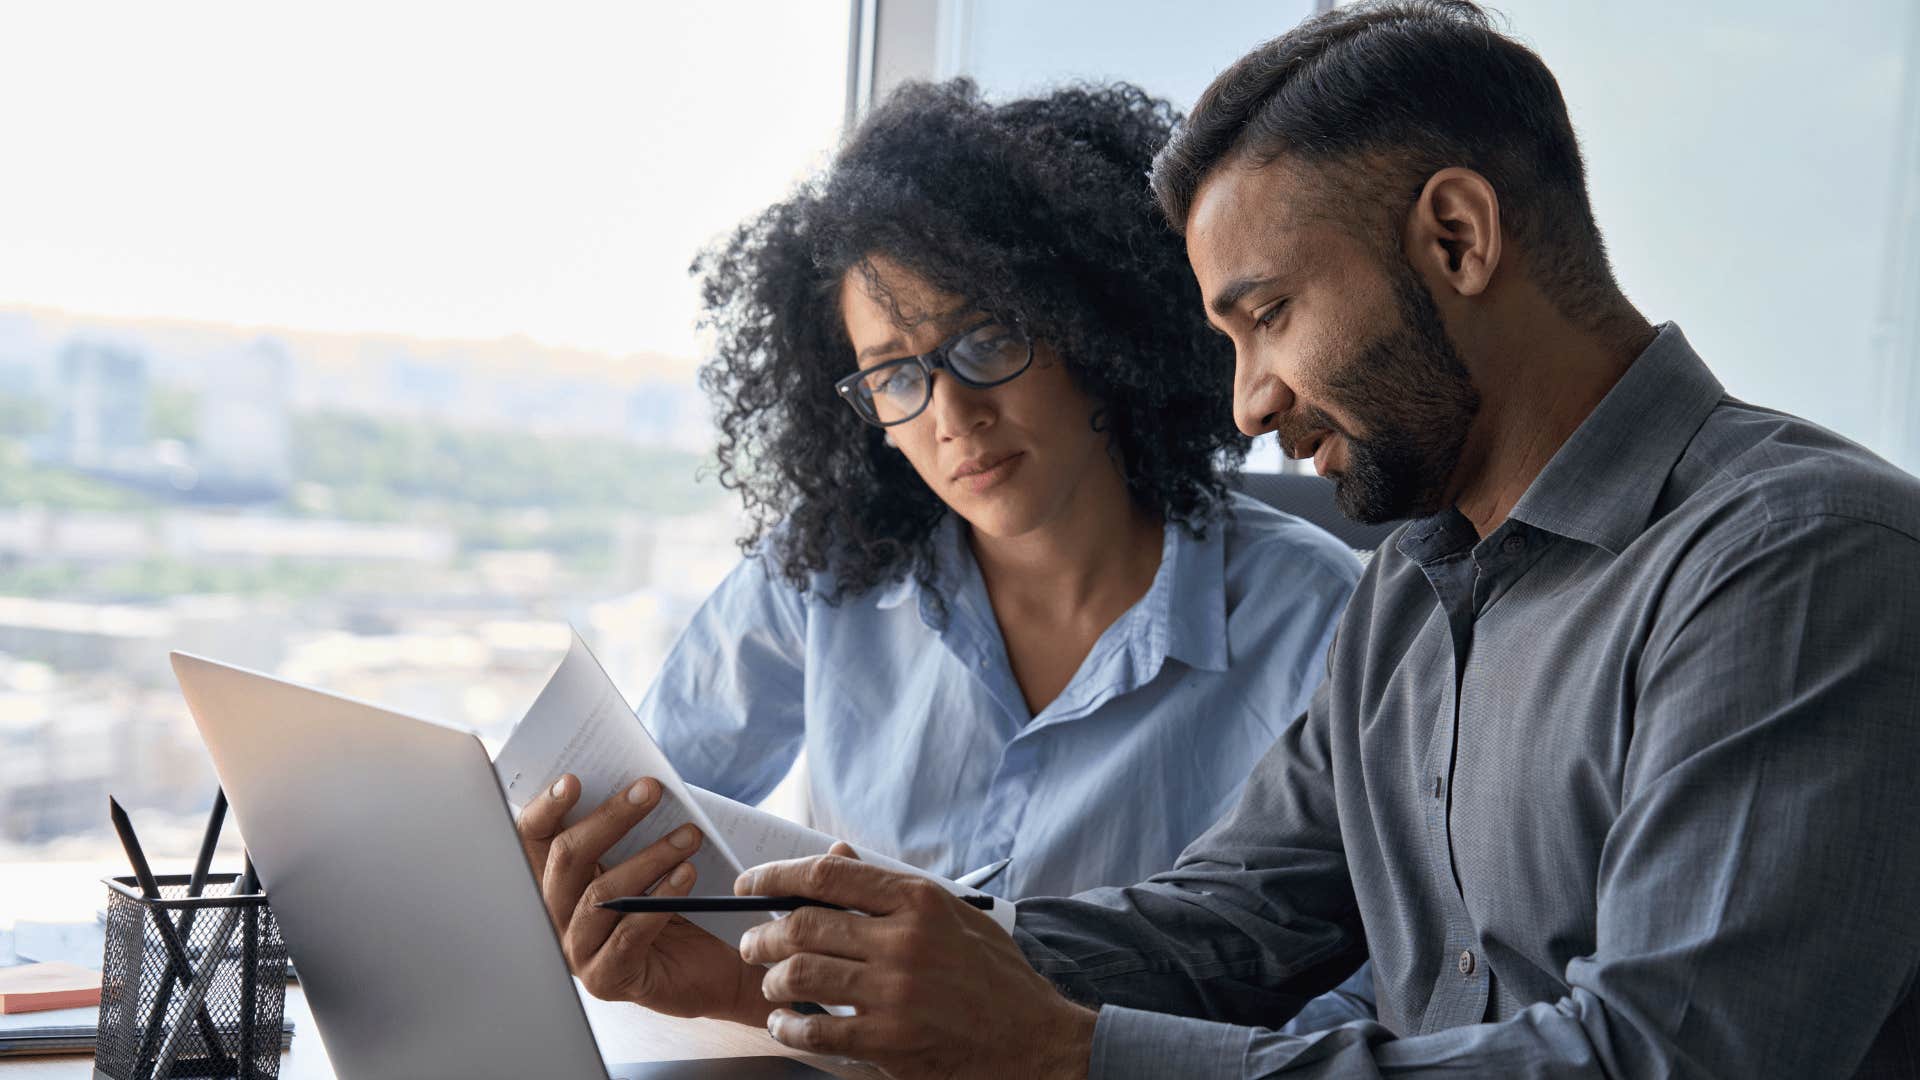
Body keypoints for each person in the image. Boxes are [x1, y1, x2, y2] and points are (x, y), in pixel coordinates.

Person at [519, 2, 1920, 1075]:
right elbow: (1224, 928)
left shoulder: (1801, 561)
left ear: (1456, 237)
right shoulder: (1417, 595)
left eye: (1267, 317)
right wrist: (799, 964)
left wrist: (1071, 1055)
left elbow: (1662, 1062)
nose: (1247, 402)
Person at [519, 81, 1372, 1027]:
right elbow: (648, 803)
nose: (953, 415)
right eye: (893, 375)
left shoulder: (1322, 620)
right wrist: (575, 882)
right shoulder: (822, 580)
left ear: (1095, 333)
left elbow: (1373, 992)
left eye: (989, 340)